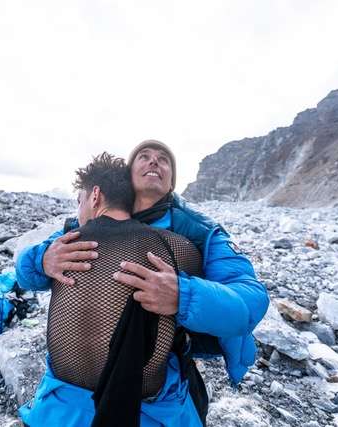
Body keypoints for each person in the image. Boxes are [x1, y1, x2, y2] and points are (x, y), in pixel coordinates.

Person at [17, 140, 269, 426]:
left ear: (172, 181)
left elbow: (251, 300)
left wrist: (184, 295)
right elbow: (25, 274)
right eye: (144, 156)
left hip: (157, 374)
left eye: (164, 159)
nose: (154, 162)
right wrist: (42, 260)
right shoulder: (81, 228)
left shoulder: (200, 233)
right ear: (128, 175)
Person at [26, 152, 204, 426]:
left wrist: (40, 258)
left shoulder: (60, 249)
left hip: (59, 414)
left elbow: (24, 275)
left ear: (95, 196)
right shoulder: (176, 247)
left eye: (80, 201)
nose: (79, 211)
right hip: (142, 413)